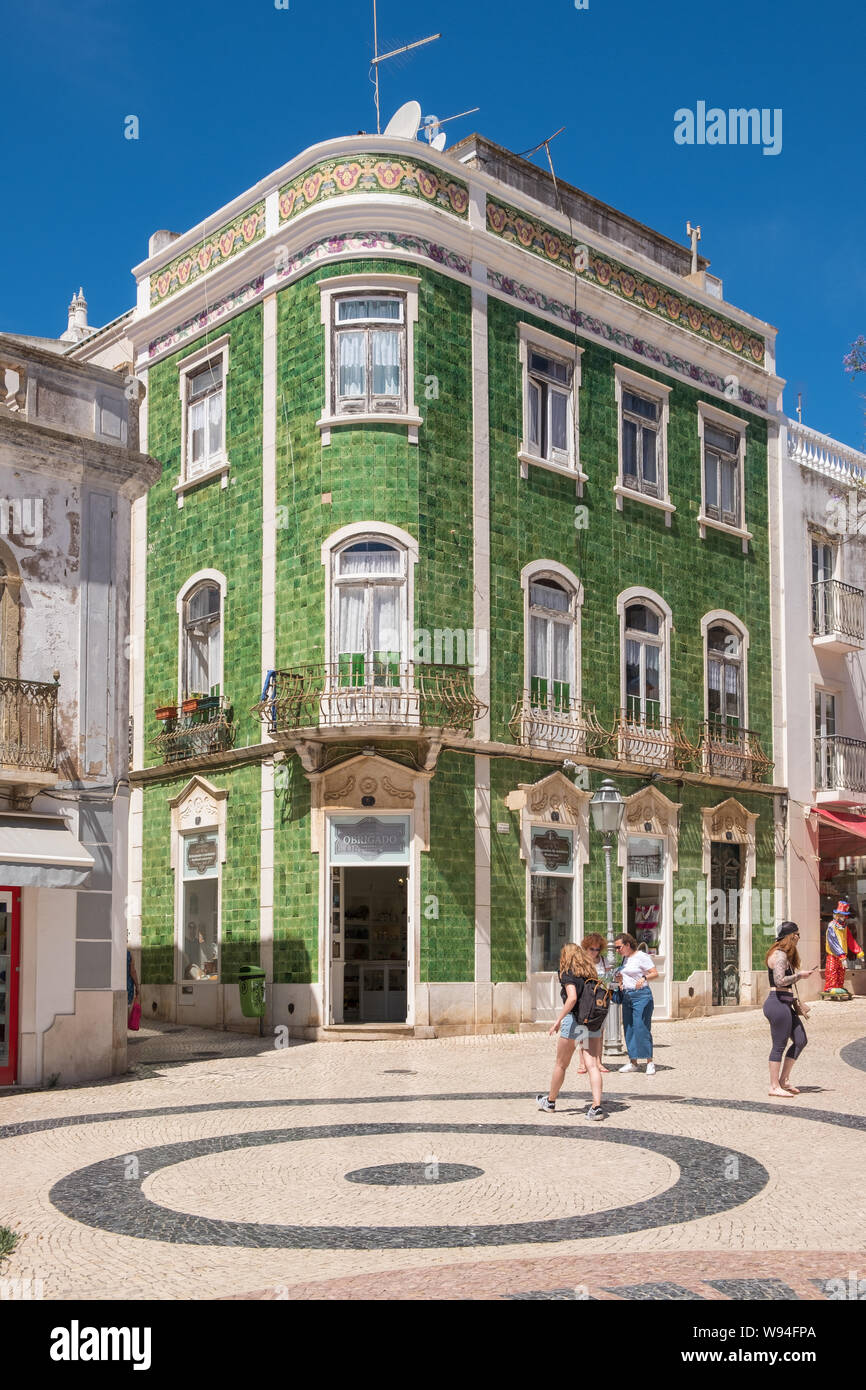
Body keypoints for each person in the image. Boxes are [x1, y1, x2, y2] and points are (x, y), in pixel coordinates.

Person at [537, 942, 606, 1120]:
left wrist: (558, 1021)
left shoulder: (567, 973)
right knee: (592, 1065)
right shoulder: (590, 973)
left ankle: (550, 1102)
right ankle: (596, 1107)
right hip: (591, 1022)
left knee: (561, 1064)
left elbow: (572, 998)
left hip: (574, 1021)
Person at [763, 921, 816, 1096]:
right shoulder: (779, 955)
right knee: (779, 1045)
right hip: (776, 1003)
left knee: (800, 1039)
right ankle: (773, 1086)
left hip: (785, 1002)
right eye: (797, 934)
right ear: (791, 936)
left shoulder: (784, 955)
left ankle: (783, 1080)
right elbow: (779, 981)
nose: (799, 938)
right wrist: (799, 975)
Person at [614, 932, 659, 1074]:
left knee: (641, 1027)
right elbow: (626, 976)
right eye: (616, 948)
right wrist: (620, 982)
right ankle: (633, 1062)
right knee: (629, 1028)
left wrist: (644, 978)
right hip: (627, 996)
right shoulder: (625, 959)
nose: (617, 950)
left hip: (642, 996)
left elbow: (655, 973)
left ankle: (649, 1062)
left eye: (619, 947)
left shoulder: (641, 956)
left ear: (627, 944)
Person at [576, 933, 610, 1075]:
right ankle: (583, 1062)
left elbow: (609, 978)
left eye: (597, 949)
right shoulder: (581, 962)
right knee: (583, 1031)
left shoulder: (604, 961)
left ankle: (598, 1061)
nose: (595, 952)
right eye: (592, 949)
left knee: (599, 1032)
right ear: (586, 948)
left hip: (599, 1000)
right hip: (585, 999)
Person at [823, 900, 864, 996]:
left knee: (841, 972)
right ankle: (830, 987)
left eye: (844, 915)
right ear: (836, 915)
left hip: (843, 955)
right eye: (841, 915)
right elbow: (833, 942)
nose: (842, 917)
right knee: (832, 970)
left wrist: (858, 952)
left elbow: (850, 940)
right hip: (834, 954)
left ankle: (839, 987)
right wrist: (841, 955)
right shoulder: (832, 926)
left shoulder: (844, 927)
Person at [126, 947, 139, 1015]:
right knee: (126, 1010)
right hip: (128, 986)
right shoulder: (129, 954)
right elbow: (132, 971)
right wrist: (137, 986)